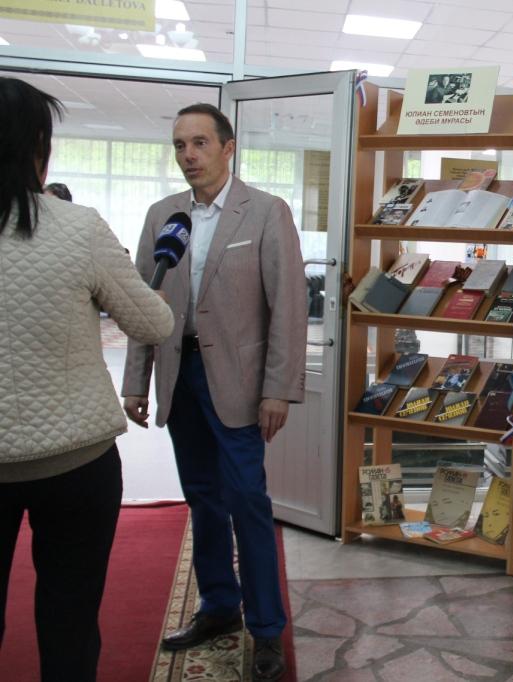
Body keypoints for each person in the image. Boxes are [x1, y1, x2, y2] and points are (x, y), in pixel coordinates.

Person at [121, 103, 306, 682]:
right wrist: (135, 382)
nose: (188, 155)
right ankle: (219, 605)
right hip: (180, 376)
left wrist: (278, 389)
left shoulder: (266, 212)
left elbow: (289, 306)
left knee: (247, 501)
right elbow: (144, 302)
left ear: (228, 148)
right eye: (180, 145)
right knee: (202, 498)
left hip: (240, 384)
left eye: (200, 143)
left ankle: (267, 628)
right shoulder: (163, 216)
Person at [0, 78, 174, 682]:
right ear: (36, 148)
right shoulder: (77, 227)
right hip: (76, 463)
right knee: (69, 616)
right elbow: (152, 323)